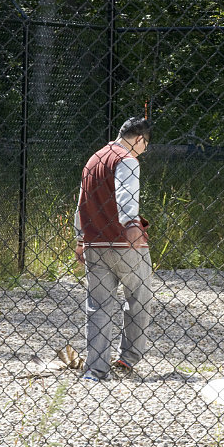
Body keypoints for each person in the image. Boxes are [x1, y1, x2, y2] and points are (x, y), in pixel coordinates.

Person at [74, 117, 154, 381]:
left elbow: (81, 202)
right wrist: (131, 224)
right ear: (139, 138)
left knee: (98, 305)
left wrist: (79, 238)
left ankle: (95, 369)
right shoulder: (127, 160)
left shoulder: (93, 159)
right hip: (124, 242)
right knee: (139, 298)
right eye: (145, 145)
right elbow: (126, 193)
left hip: (94, 242)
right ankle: (128, 358)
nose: (144, 150)